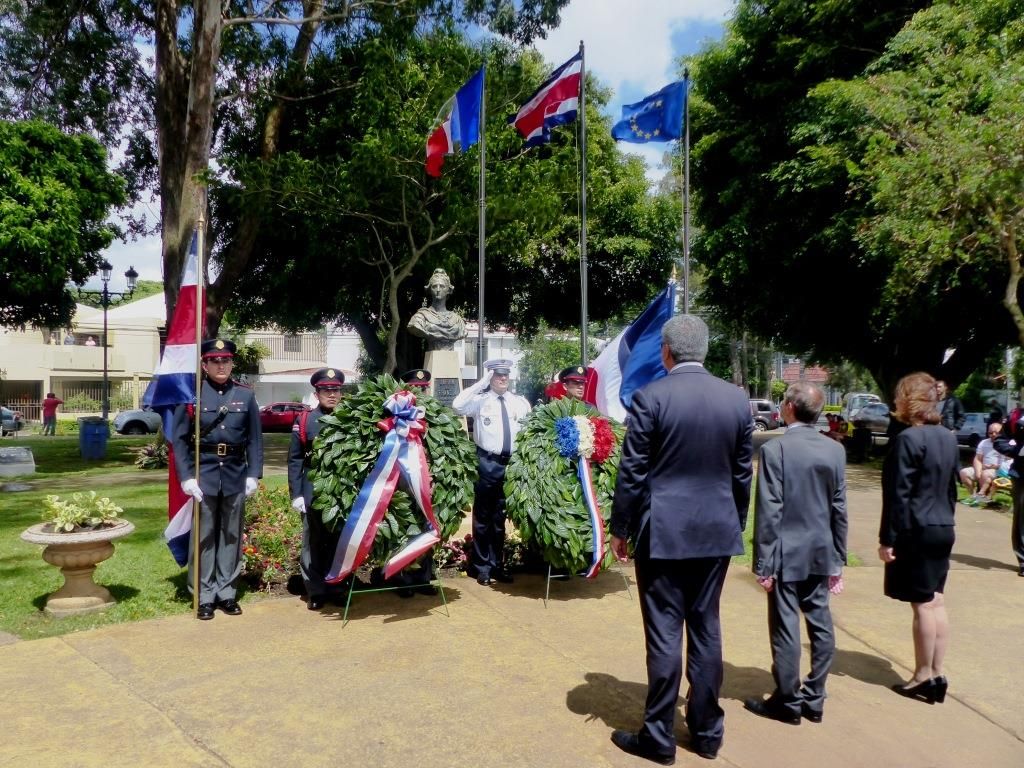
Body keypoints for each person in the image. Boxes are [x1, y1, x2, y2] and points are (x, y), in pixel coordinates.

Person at [609, 314, 753, 763]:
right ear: (704, 351)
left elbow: (633, 471)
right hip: (716, 530)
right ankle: (707, 733)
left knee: (665, 631)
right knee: (706, 627)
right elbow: (742, 473)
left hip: (664, 532)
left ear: (666, 352)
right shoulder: (736, 400)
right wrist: (735, 520)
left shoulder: (650, 396)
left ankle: (658, 737)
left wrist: (620, 528)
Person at [744, 382, 847, 726]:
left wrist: (763, 563)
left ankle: (788, 700)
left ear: (789, 407)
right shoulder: (834, 450)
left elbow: (769, 509)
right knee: (821, 623)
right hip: (821, 548)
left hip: (787, 551)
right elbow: (839, 507)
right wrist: (839, 556)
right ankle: (815, 696)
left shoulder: (777, 449)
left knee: (785, 626)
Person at [879, 372, 957, 703]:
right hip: (943, 526)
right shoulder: (948, 438)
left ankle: (923, 674)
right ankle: (937, 672)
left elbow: (898, 495)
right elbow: (951, 490)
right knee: (936, 600)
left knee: (922, 604)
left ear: (908, 400)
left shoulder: (909, 439)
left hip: (916, 529)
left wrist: (887, 539)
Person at [172, 338, 264, 620]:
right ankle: (204, 595)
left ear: (232, 363)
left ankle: (226, 593)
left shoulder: (245, 396)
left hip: (235, 474)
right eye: (215, 361)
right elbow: (179, 440)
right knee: (204, 536)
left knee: (231, 535)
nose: (221, 365)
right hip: (205, 475)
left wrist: (254, 474)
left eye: (226, 360)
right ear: (204, 365)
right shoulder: (192, 396)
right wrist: (187, 477)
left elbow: (255, 439)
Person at [452, 358, 531, 586]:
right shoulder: (480, 401)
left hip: (511, 465)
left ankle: (497, 565)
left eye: (505, 374)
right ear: (491, 377)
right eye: (497, 375)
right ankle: (481, 567)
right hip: (487, 463)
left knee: (500, 519)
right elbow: (457, 405)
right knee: (483, 517)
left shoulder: (519, 403)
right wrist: (481, 382)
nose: (503, 378)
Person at [289, 367, 345, 610]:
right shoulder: (305, 420)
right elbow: (295, 459)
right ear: (317, 393)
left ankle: (337, 587)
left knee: (340, 541)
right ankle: (316, 591)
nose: (331, 394)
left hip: (342, 490)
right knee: (313, 542)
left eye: (335, 390)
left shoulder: (350, 420)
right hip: (313, 489)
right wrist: (297, 494)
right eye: (326, 390)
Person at [993, 405, 1024, 577]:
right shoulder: (1016, 416)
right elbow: (1000, 441)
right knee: (1022, 518)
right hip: (1022, 474)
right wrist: (1018, 451)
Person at [407, 268, 466, 351]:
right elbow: (414, 326)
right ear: (430, 290)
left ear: (449, 290)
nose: (438, 290)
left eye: (442, 286)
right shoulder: (420, 317)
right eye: (434, 286)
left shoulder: (457, 320)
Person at [960, 422, 1006, 505]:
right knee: (964, 472)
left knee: (986, 474)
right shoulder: (984, 442)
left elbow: (1008, 462)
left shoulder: (1006, 444)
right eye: (990, 433)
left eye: (996, 432)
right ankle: (973, 496)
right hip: (983, 468)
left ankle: (982, 497)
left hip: (998, 470)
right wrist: (978, 471)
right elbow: (977, 459)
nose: (993, 434)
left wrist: (996, 466)